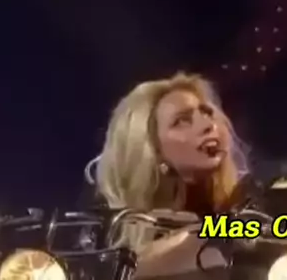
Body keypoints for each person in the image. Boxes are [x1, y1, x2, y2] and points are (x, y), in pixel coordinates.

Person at [95, 72, 249, 277]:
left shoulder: (246, 212)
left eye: (206, 113)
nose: (208, 125)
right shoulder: (125, 257)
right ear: (152, 150)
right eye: (182, 121)